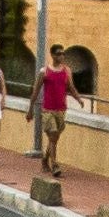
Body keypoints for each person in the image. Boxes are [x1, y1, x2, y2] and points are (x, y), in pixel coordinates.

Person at [38, 42, 86, 177]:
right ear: (52, 55)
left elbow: (70, 87)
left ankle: (45, 159)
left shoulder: (66, 70)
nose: (61, 56)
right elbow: (36, 91)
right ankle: (55, 165)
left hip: (61, 108)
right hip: (48, 109)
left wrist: (78, 99)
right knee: (53, 135)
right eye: (59, 54)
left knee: (54, 138)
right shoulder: (44, 71)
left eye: (63, 54)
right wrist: (30, 109)